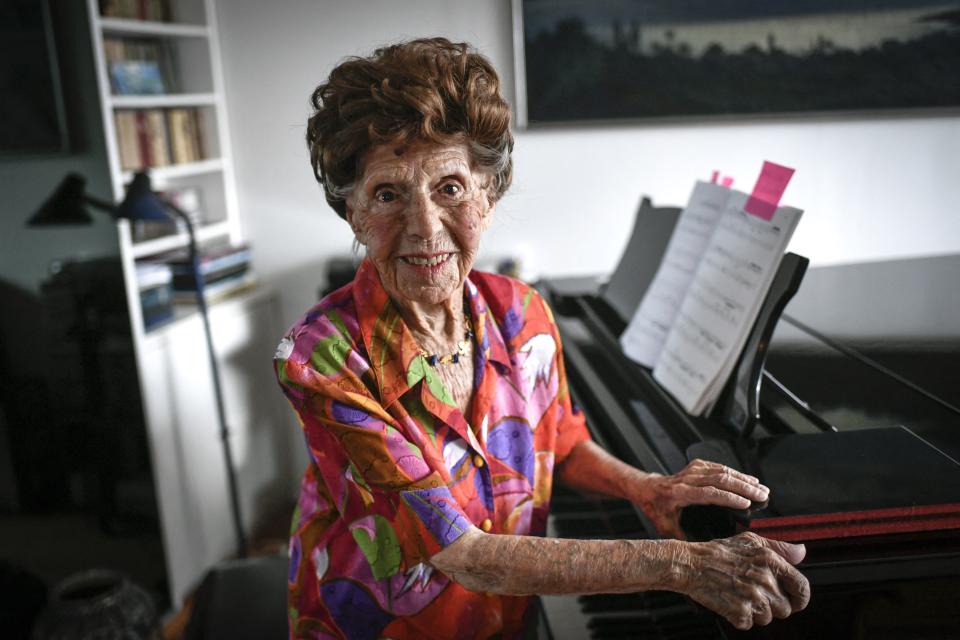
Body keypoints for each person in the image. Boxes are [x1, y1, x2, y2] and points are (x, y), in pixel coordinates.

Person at [274, 37, 810, 640]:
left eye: (450, 188)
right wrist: (684, 566)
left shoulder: (520, 310)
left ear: (489, 193)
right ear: (352, 213)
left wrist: (648, 489)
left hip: (508, 618)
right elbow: (463, 554)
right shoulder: (323, 358)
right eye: (388, 194)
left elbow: (559, 439)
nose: (425, 229)